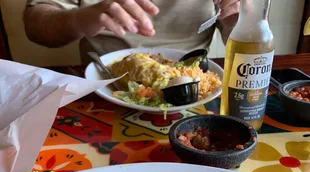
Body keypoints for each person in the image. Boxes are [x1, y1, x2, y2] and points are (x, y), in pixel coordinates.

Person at [24, 0, 240, 64]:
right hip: (99, 87)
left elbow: (248, 50)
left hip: (195, 85)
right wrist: (79, 19)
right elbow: (35, 26)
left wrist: (240, 19)